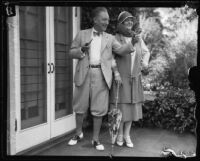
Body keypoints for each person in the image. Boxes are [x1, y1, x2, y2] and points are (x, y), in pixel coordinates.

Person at [68, 7, 138, 151]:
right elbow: (71, 52)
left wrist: (132, 44)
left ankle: (95, 139)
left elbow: (120, 50)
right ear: (95, 20)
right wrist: (81, 50)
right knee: (80, 107)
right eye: (104, 19)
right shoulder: (82, 34)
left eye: (107, 19)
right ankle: (78, 133)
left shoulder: (110, 38)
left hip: (102, 75)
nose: (107, 22)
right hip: (84, 73)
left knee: (99, 109)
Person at [110, 11, 150, 148]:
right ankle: (120, 134)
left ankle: (127, 135)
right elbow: (115, 55)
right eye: (126, 20)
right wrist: (115, 73)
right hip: (121, 79)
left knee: (132, 109)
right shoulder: (115, 38)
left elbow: (146, 52)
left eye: (131, 20)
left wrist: (145, 64)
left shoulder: (137, 38)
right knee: (121, 109)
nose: (129, 23)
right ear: (120, 23)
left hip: (134, 78)